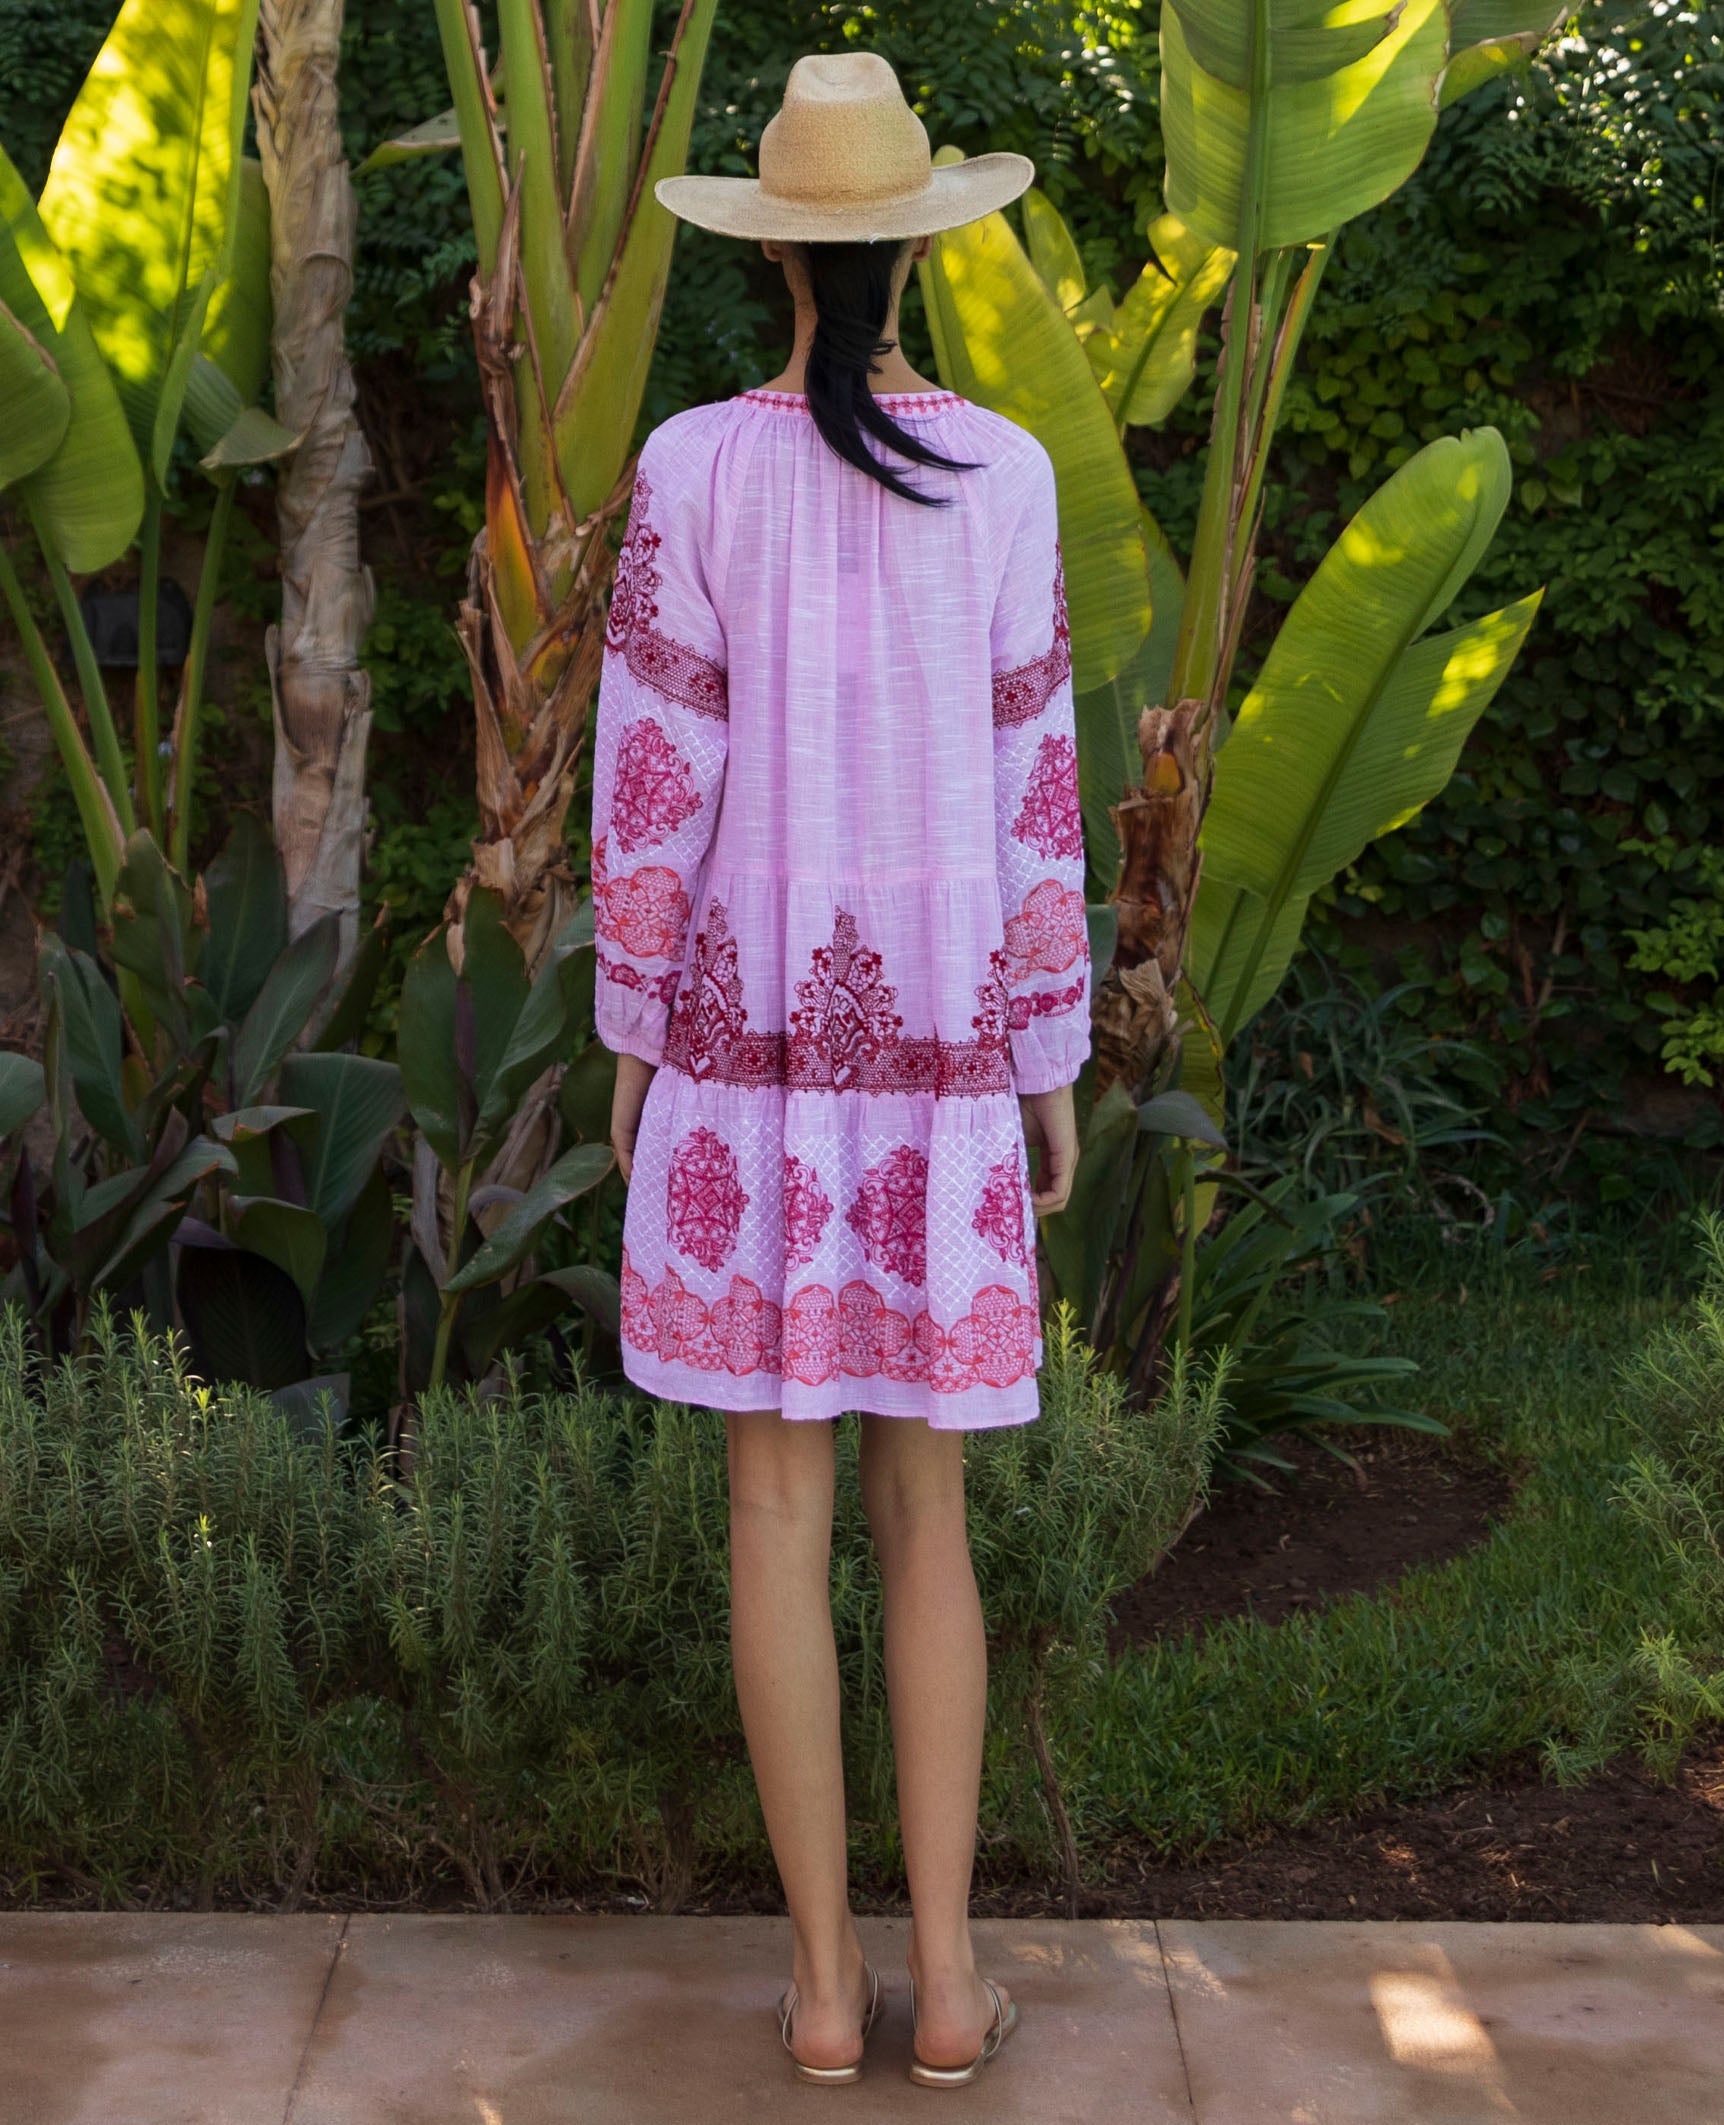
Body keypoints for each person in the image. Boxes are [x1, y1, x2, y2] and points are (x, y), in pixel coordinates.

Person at [590, 51, 1087, 2088]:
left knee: (771, 1511)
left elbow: (648, 788)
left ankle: (816, 1994)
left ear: (774, 254)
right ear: (921, 251)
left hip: (747, 1056)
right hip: (946, 1063)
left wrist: (629, 1046)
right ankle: (951, 1985)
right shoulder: (1006, 477)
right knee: (929, 1524)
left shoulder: (689, 470)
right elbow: (1033, 784)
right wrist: (1044, 1054)